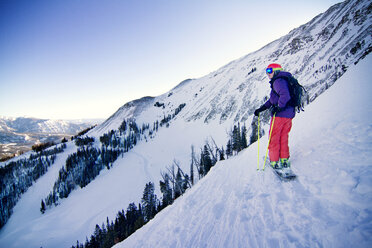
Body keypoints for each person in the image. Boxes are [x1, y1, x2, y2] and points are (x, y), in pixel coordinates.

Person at [254, 63, 295, 170]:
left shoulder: (278, 81)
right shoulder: (284, 80)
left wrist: (279, 107)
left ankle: (274, 161)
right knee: (283, 137)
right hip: (289, 115)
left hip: (280, 116)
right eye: (267, 71)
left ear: (276, 71)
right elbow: (272, 100)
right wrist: (262, 108)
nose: (268, 74)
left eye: (270, 71)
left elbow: (285, 95)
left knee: (274, 138)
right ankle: (284, 159)